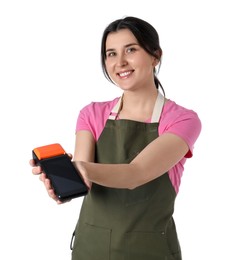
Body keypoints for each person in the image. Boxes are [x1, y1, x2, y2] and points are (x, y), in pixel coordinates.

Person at [30, 16, 201, 260]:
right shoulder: (91, 114)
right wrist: (67, 180)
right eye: (111, 54)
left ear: (155, 56)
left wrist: (82, 169)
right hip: (91, 249)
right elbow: (84, 180)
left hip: (150, 252)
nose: (120, 62)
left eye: (130, 50)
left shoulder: (182, 120)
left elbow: (136, 173)